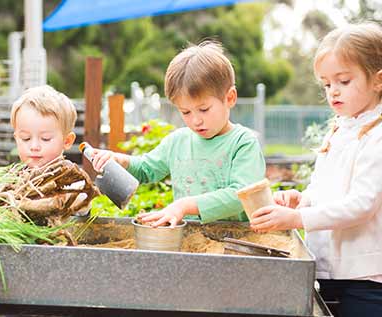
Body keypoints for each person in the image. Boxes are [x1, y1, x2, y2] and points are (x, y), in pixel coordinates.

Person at [249, 23, 382, 317]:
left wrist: (297, 217)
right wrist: (302, 199)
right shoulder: (339, 129)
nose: (333, 91)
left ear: (379, 79)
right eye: (326, 84)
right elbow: (326, 190)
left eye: (343, 81)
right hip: (324, 270)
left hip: (363, 280)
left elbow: (362, 205)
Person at [90, 41, 266, 227]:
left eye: (204, 109)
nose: (196, 120)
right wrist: (120, 160)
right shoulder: (178, 141)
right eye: (186, 112)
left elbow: (240, 195)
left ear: (229, 98)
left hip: (236, 239)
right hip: (188, 239)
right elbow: (146, 170)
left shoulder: (243, 143)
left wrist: (184, 205)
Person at [10, 85, 77, 168]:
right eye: (26, 138)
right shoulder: (13, 178)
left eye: (45, 138)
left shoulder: (72, 178)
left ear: (67, 141)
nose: (34, 147)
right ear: (16, 138)